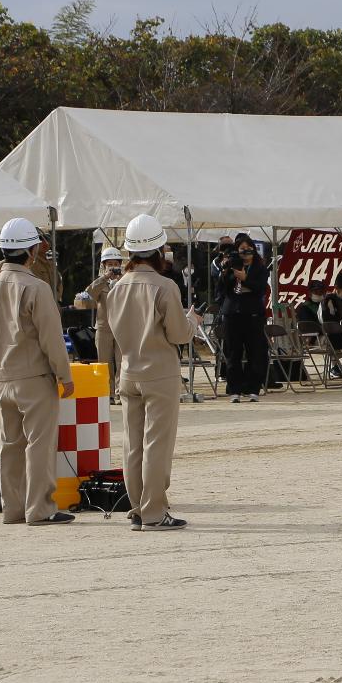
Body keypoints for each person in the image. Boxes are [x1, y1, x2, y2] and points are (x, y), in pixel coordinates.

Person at [0, 216, 78, 526]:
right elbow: (51, 338)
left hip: (3, 376)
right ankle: (40, 508)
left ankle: (13, 508)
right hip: (34, 376)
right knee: (40, 444)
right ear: (32, 250)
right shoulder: (36, 287)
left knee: (10, 445)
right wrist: (65, 375)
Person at [101, 214, 194, 531]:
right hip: (160, 372)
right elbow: (179, 334)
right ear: (158, 250)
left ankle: (138, 507)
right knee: (157, 444)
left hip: (128, 371)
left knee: (133, 444)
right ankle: (155, 511)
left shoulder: (116, 289)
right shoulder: (165, 287)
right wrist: (191, 321)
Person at [216, 236, 269, 402]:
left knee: (255, 352)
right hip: (233, 313)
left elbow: (260, 289)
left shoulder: (260, 267)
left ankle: (253, 388)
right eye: (242, 250)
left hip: (253, 314)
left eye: (248, 249)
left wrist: (246, 278)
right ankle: (235, 390)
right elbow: (222, 288)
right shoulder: (232, 265)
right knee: (233, 353)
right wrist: (228, 271)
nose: (245, 253)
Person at [86, 245, 125, 385]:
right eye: (109, 264)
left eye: (115, 264)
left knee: (122, 362)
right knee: (104, 362)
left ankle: (120, 392)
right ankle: (108, 393)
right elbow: (90, 293)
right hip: (104, 328)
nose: (113, 267)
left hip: (121, 327)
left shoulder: (125, 282)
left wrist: (121, 279)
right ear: (103, 265)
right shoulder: (100, 283)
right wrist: (105, 277)